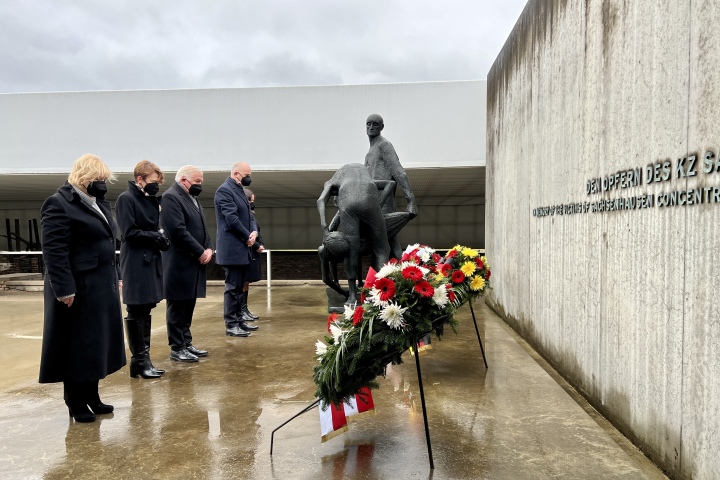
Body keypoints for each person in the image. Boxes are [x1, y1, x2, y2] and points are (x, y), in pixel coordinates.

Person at [39, 153, 126, 423]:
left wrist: (117, 273)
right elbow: (54, 252)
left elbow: (110, 245)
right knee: (76, 345)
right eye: (98, 179)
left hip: (101, 285)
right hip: (77, 288)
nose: (103, 183)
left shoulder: (99, 203)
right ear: (83, 178)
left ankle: (92, 395)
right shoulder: (59, 204)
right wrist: (64, 289)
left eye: (104, 179)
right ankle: (74, 400)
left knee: (96, 343)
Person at [115, 160, 170, 379]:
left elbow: (153, 228)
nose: (156, 185)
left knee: (145, 309)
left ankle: (142, 361)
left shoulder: (149, 200)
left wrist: (162, 239)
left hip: (149, 260)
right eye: (153, 181)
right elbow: (129, 233)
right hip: (136, 262)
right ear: (140, 179)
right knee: (136, 310)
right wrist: (156, 237)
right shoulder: (126, 199)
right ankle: (139, 361)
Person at [317, 163, 392, 305]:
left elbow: (320, 200)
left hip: (348, 203)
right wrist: (378, 206)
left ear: (336, 196)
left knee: (352, 250)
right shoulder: (365, 176)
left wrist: (324, 227)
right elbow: (391, 184)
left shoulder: (333, 181)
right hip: (369, 197)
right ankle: (383, 293)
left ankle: (352, 297)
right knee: (382, 247)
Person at [161, 165, 213, 362]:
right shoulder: (171, 197)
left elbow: (203, 228)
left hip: (193, 262)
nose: (200, 185)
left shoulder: (193, 198)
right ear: (184, 180)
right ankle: (177, 347)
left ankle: (186, 342)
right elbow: (178, 230)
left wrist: (209, 247)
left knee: (189, 303)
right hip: (179, 262)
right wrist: (200, 252)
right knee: (177, 305)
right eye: (197, 182)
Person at [214, 162, 260, 337]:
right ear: (236, 173)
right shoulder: (224, 190)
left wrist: (254, 231)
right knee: (232, 287)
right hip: (233, 247)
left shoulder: (239, 189)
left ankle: (239, 320)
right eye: (247, 174)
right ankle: (231, 324)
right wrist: (248, 236)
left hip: (243, 246)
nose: (249, 177)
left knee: (240, 286)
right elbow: (231, 219)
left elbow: (249, 216)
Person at [364, 113, 418, 259]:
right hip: (372, 201)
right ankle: (397, 274)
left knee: (388, 238)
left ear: (382, 127)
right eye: (369, 123)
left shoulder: (384, 145)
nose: (371, 127)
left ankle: (403, 275)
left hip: (384, 200)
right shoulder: (369, 153)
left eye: (375, 124)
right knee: (384, 240)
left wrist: (411, 200)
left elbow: (399, 172)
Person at [242, 188, 264, 321]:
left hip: (252, 252)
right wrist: (257, 246)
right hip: (247, 251)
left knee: (246, 281)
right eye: (251, 200)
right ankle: (241, 310)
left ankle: (244, 308)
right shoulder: (244, 215)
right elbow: (245, 232)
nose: (252, 203)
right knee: (242, 281)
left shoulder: (250, 214)